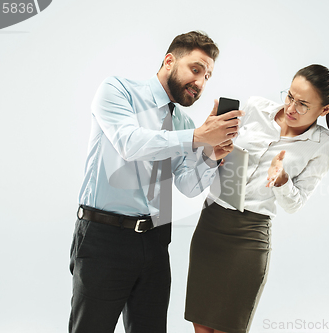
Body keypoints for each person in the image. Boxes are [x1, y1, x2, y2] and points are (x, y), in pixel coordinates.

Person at [69, 31, 244, 333]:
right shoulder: (118, 90)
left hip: (155, 240)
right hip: (104, 237)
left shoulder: (183, 123)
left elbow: (187, 185)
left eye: (208, 77)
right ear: (169, 61)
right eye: (196, 69)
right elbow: (130, 143)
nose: (200, 83)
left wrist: (211, 155)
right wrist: (198, 137)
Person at [184, 64, 329, 333]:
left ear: (324, 110)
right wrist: (213, 151)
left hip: (250, 234)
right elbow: (212, 155)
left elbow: (294, 204)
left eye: (303, 104)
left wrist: (282, 181)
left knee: (226, 327)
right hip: (212, 222)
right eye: (290, 96)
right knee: (201, 324)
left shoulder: (323, 144)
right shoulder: (255, 109)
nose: (291, 108)